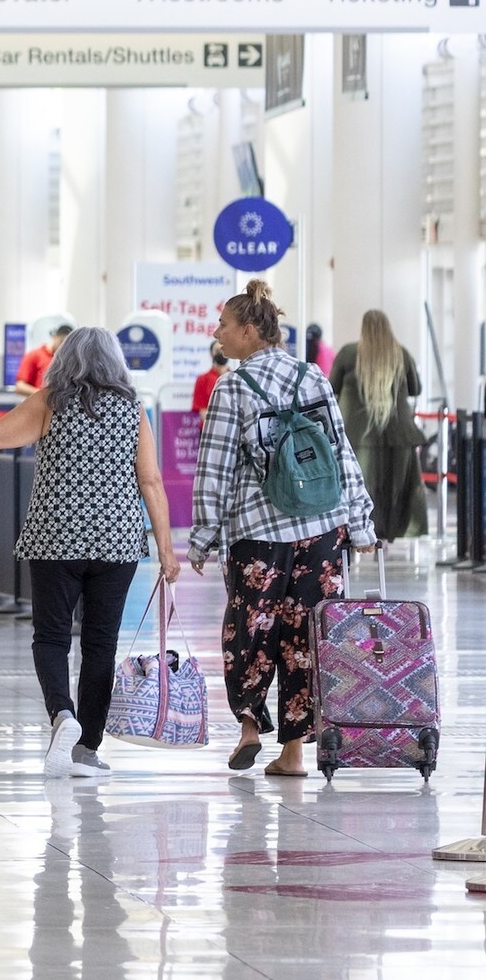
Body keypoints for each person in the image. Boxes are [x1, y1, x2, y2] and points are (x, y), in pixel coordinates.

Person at [0, 326, 179, 777]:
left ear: (64, 359)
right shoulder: (132, 407)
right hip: (117, 540)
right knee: (100, 643)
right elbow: (151, 481)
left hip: (56, 536)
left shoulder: (52, 400)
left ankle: (62, 715)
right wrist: (166, 548)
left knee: (50, 636)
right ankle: (87, 748)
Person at [189, 280, 377, 777]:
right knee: (308, 635)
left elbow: (215, 468)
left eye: (224, 325)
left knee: (250, 629)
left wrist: (203, 537)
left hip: (259, 532)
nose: (217, 333)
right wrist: (360, 524)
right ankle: (293, 755)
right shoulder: (311, 376)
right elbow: (340, 452)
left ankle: (250, 726)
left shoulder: (232, 385)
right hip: (322, 528)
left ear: (249, 331)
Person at [334, 308, 427, 544]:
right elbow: (416, 389)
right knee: (393, 487)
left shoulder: (348, 353)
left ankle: (358, 536)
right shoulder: (400, 354)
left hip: (356, 434)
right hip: (397, 434)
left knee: (358, 486)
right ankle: (387, 538)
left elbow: (331, 386)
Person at [16, 322, 69, 395]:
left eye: (67, 344)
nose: (63, 346)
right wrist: (41, 395)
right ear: (55, 337)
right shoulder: (34, 355)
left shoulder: (67, 360)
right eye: (61, 341)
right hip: (38, 402)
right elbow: (20, 386)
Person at [193, 341, 228, 414]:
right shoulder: (202, 380)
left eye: (223, 349)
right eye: (217, 351)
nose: (221, 353)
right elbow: (202, 412)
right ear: (211, 354)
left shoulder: (236, 378)